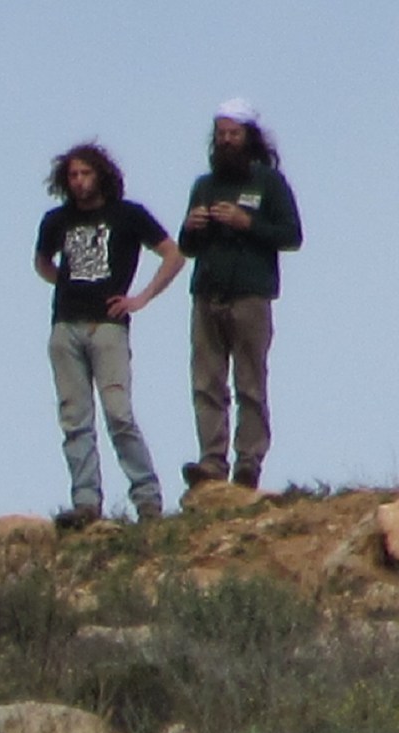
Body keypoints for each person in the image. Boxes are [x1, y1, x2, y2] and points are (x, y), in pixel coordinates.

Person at [34, 142, 184, 527]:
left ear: (100, 175)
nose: (79, 181)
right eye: (72, 175)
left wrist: (141, 298)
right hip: (65, 325)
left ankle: (147, 499)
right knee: (75, 419)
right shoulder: (56, 220)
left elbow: (173, 254)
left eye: (85, 173)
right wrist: (65, 283)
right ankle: (86, 502)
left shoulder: (127, 215)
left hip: (108, 327)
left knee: (119, 414)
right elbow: (42, 262)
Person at [179, 98, 302, 490]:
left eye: (234, 134)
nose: (227, 140)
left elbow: (291, 235)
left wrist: (246, 222)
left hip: (251, 294)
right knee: (206, 382)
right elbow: (186, 248)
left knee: (250, 382)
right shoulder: (204, 185)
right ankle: (211, 462)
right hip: (207, 294)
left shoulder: (268, 183)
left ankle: (249, 461)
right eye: (221, 134)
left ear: (248, 137)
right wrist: (192, 226)